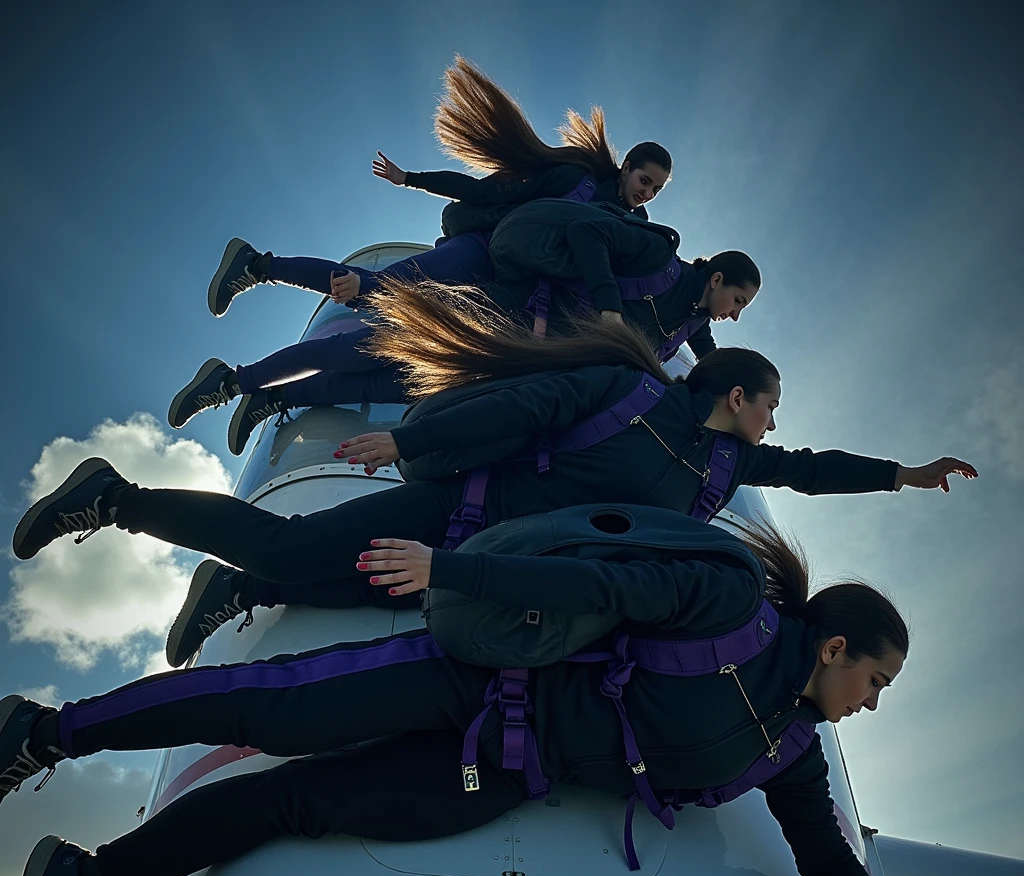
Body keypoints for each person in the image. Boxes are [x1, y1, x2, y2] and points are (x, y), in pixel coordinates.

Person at [0, 522, 975, 876]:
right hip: (472, 675)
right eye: (875, 679)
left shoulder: (789, 748)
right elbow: (593, 586)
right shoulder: (730, 606)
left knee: (298, 802)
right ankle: (46, 733)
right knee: (269, 699)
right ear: (834, 644)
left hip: (512, 769)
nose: (872, 701)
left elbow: (832, 865)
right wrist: (448, 567)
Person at [14, 283, 976, 665]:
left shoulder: (723, 466)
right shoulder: (631, 394)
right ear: (735, 391)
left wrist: (904, 474)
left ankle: (236, 588)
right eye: (771, 403)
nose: (776, 423)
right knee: (299, 548)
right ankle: (113, 496)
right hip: (465, 509)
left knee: (381, 600)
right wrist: (409, 446)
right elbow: (517, 411)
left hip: (517, 563)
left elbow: (809, 470)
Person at [173, 239, 757, 455]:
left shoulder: (688, 324)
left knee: (388, 380)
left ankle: (265, 395)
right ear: (716, 278)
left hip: (505, 359)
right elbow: (584, 239)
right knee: (372, 299)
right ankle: (253, 294)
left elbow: (715, 362)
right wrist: (603, 302)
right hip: (499, 302)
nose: (734, 316)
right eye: (738, 300)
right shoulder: (657, 260)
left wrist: (738, 398)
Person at [204, 57, 672, 320]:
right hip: (485, 248)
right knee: (383, 287)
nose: (646, 193)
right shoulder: (575, 180)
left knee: (413, 316)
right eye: (644, 180)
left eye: (656, 190)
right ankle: (259, 265)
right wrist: (410, 180)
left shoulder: (635, 228)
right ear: (626, 167)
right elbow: (487, 193)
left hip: (515, 289)